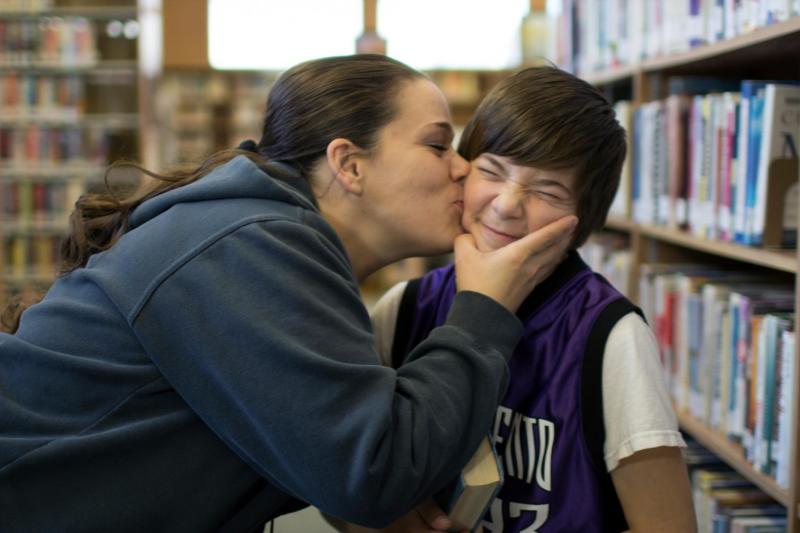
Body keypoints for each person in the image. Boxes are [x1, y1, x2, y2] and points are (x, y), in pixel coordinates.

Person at [0, 55, 578, 532]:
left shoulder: (265, 234)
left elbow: (318, 447)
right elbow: (373, 473)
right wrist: (484, 311)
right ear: (349, 164)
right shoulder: (254, 245)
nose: (463, 169)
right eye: (437, 145)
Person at [341, 66, 697, 532]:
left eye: (547, 190)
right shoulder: (406, 305)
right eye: (491, 170)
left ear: (581, 220)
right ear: (461, 170)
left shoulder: (611, 337)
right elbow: (339, 475)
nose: (507, 204)